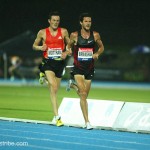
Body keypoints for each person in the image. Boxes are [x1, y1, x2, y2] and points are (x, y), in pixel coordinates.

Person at [66, 13, 104, 130]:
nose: (88, 23)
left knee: (84, 95)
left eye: (90, 21)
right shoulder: (74, 35)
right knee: (82, 94)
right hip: (78, 68)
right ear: (81, 23)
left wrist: (97, 54)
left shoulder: (96, 35)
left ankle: (72, 85)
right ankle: (87, 122)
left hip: (89, 69)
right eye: (86, 21)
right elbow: (68, 46)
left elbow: (102, 47)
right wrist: (68, 51)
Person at [32, 11, 70, 127]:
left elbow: (70, 46)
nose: (55, 22)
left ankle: (42, 75)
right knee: (53, 86)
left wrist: (66, 52)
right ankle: (57, 117)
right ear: (49, 21)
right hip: (48, 63)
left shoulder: (63, 31)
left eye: (57, 20)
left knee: (54, 90)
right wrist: (40, 47)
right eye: (53, 20)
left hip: (59, 64)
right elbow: (34, 46)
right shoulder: (42, 32)